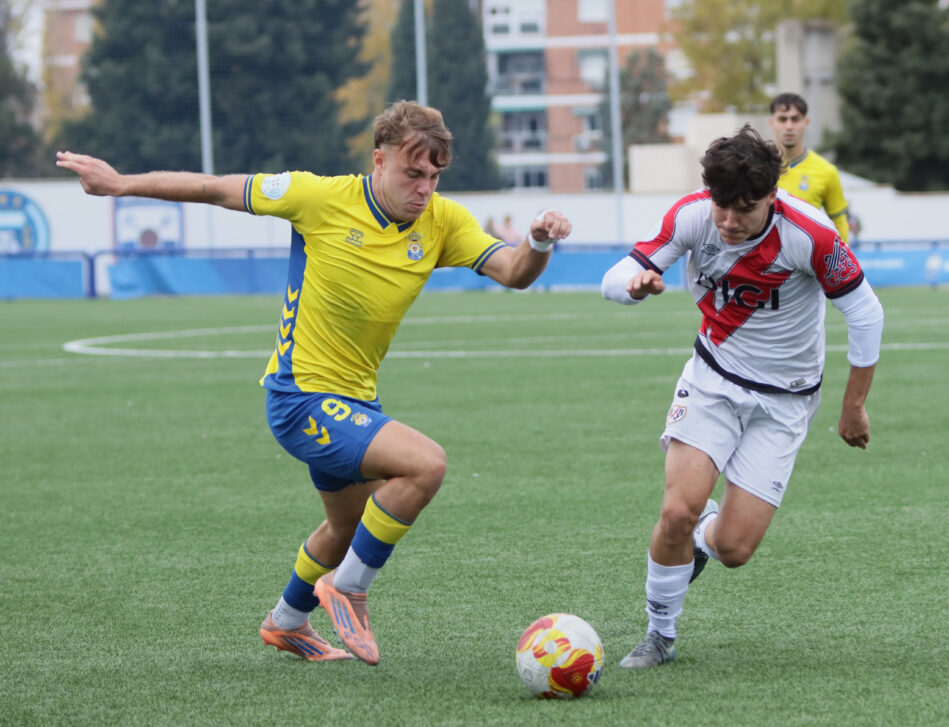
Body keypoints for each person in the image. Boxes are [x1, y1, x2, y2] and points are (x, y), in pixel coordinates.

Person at [56, 101, 572, 666]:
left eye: (434, 176)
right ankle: (348, 589)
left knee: (347, 526)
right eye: (412, 172)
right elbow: (210, 187)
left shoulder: (442, 222)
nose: (424, 188)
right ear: (379, 160)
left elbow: (515, 272)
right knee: (425, 464)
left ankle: (287, 621)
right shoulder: (318, 198)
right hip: (300, 399)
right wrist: (121, 183)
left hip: (355, 402)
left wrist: (540, 239)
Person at [601, 124, 883, 668]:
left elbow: (866, 314)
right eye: (721, 207)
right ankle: (660, 634)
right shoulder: (692, 215)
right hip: (712, 379)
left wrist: (853, 407)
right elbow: (618, 277)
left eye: (744, 210)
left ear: (772, 198)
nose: (728, 222)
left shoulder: (812, 235)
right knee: (676, 510)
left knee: (733, 550)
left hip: (786, 400)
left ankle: (705, 542)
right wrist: (636, 287)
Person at [768, 92, 851, 245]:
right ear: (771, 122)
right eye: (782, 119)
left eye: (795, 119)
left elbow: (839, 222)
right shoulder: (759, 167)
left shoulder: (826, 171)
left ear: (806, 123)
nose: (789, 126)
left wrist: (841, 263)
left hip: (806, 263)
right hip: (765, 263)